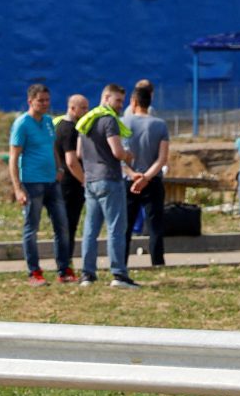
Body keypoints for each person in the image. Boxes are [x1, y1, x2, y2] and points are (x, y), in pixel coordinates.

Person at [75, 82, 140, 288]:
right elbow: (117, 152)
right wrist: (128, 155)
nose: (121, 105)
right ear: (106, 98)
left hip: (91, 179)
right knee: (116, 228)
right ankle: (119, 274)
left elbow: (78, 153)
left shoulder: (87, 119)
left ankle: (88, 274)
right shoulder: (109, 119)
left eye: (122, 100)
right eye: (118, 100)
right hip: (109, 178)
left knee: (90, 230)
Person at [12, 82, 71, 283]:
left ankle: (64, 270)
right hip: (31, 183)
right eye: (40, 101)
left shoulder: (48, 121)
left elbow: (52, 147)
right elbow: (13, 158)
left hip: (52, 182)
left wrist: (59, 167)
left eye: (47, 100)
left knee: (62, 226)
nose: (45, 104)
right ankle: (34, 272)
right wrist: (18, 188)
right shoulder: (22, 124)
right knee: (32, 228)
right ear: (30, 101)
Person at [124, 79, 171, 269]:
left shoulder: (123, 123)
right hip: (152, 181)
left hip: (129, 180)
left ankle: (121, 262)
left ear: (133, 102)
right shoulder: (160, 125)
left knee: (125, 226)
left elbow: (118, 155)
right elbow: (162, 159)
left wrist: (133, 174)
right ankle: (157, 261)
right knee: (155, 225)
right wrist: (146, 177)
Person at [53, 91, 90, 284]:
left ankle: (66, 265)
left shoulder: (63, 126)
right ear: (72, 108)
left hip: (67, 183)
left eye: (87, 107)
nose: (86, 111)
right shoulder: (69, 129)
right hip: (70, 184)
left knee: (68, 226)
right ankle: (65, 266)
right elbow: (71, 160)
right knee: (68, 226)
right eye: (83, 108)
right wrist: (84, 180)